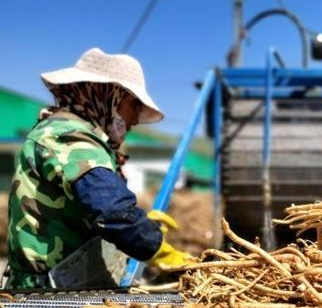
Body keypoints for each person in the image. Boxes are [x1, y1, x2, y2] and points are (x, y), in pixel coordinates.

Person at [5, 48, 194, 289]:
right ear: (108, 95)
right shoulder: (67, 137)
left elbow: (99, 204)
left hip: (66, 285)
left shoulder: (76, 135)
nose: (135, 119)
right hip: (43, 292)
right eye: (134, 105)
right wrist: (162, 252)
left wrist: (141, 222)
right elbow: (112, 212)